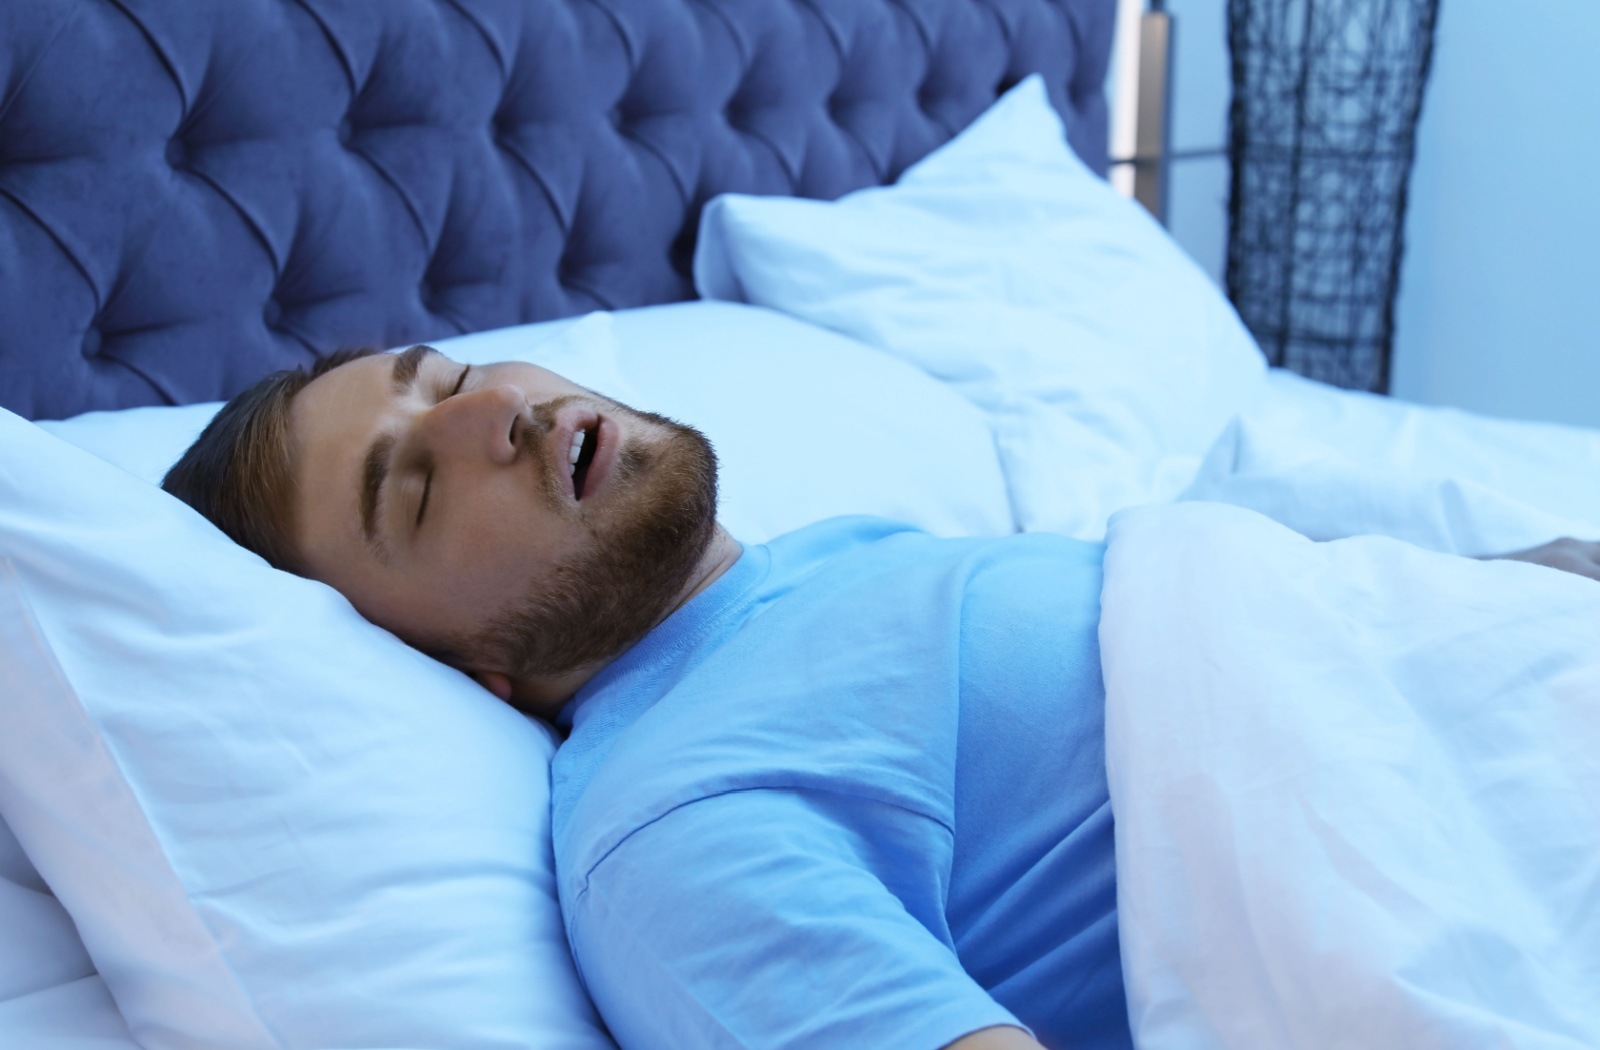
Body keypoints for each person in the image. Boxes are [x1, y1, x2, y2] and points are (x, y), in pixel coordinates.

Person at [163, 345, 1600, 1050]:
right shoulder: (669, 830)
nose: (498, 410)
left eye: (453, 374)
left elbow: (1319, 627)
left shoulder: (824, 565)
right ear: (455, 667)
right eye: (415, 488)